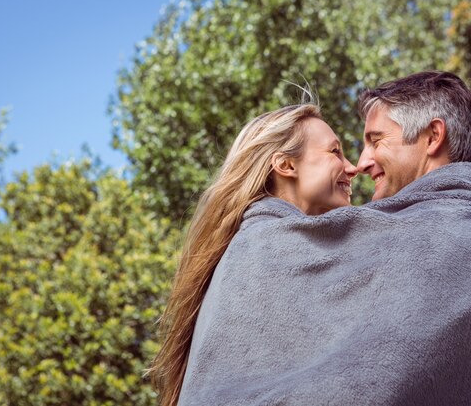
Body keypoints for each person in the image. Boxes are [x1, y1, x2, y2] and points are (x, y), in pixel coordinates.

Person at [173, 71, 471, 406]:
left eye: (375, 140)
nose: (359, 164)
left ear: (433, 138)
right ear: (284, 165)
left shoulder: (460, 245)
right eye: (341, 150)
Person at [148, 102, 358, 406]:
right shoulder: (266, 249)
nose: (352, 167)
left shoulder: (251, 249)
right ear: (286, 165)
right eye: (335, 152)